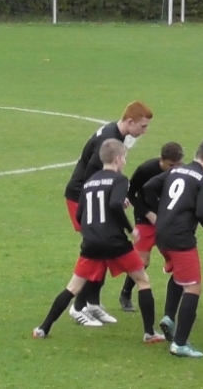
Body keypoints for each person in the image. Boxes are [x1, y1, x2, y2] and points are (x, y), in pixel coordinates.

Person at [33, 139, 163, 343]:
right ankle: (149, 333)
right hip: (115, 242)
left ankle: (43, 328)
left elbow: (80, 214)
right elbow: (115, 204)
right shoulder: (120, 179)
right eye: (124, 158)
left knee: (73, 287)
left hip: (91, 242)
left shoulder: (90, 182)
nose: (125, 162)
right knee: (142, 280)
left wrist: (91, 231)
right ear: (118, 159)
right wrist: (131, 229)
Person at [63, 101, 153, 326]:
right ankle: (78, 308)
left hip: (91, 196)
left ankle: (92, 303)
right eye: (142, 126)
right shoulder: (109, 138)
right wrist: (110, 196)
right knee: (97, 248)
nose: (144, 131)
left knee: (103, 250)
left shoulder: (115, 133)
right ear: (130, 121)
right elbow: (91, 178)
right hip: (81, 198)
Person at [144, 139, 203, 358]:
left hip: (161, 235)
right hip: (180, 238)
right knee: (193, 286)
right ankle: (180, 344)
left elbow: (148, 187)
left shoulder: (176, 171)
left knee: (179, 276)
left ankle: (169, 317)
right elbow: (202, 213)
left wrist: (162, 212)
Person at [119, 142, 185, 312]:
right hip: (145, 218)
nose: (175, 169)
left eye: (178, 165)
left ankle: (178, 303)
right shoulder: (145, 170)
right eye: (171, 165)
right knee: (142, 261)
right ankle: (126, 293)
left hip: (168, 220)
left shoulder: (182, 172)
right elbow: (130, 193)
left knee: (180, 259)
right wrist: (148, 214)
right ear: (161, 160)